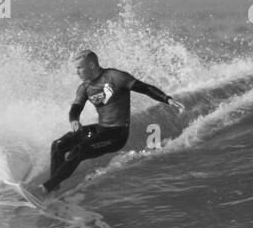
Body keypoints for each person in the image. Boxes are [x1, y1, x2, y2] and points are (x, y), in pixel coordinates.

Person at [41, 49, 185, 194]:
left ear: (91, 65)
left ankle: (46, 188)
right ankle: (54, 186)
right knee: (58, 145)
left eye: (79, 68)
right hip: (101, 129)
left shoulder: (115, 77)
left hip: (117, 135)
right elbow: (76, 107)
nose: (76, 72)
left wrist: (167, 99)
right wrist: (74, 119)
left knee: (80, 150)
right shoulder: (85, 87)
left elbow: (145, 88)